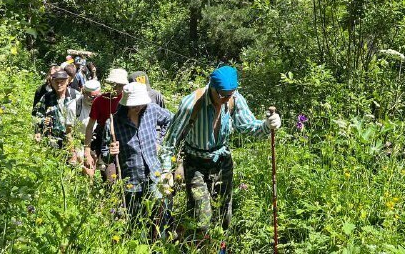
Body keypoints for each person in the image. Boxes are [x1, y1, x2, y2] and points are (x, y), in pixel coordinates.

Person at [160, 66, 281, 233]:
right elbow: (170, 139)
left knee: (224, 216)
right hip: (195, 163)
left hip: (222, 161)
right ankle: (196, 243)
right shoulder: (191, 103)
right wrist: (166, 171)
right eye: (222, 95)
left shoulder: (234, 99)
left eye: (229, 94)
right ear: (212, 86)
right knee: (201, 219)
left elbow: (248, 127)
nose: (225, 99)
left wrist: (267, 125)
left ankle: (220, 244)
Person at [108, 82, 173, 226]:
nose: (138, 108)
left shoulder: (151, 110)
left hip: (154, 174)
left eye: (140, 104)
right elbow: (105, 155)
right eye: (133, 105)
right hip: (132, 179)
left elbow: (171, 120)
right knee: (136, 221)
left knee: (160, 218)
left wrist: (160, 140)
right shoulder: (113, 123)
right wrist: (111, 152)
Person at [83, 68, 128, 177]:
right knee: (108, 176)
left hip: (124, 137)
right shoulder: (100, 100)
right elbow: (90, 127)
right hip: (104, 139)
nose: (117, 89)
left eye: (121, 86)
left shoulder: (127, 100)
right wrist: (87, 150)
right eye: (114, 85)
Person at [33, 69, 78, 149]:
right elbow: (39, 116)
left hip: (72, 140)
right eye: (56, 82)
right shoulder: (47, 97)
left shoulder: (75, 96)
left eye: (62, 82)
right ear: (52, 82)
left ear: (67, 81)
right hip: (52, 140)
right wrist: (39, 130)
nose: (59, 84)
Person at [72, 79, 102, 166]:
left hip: (99, 143)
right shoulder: (75, 105)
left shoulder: (104, 103)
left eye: (97, 96)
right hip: (80, 143)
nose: (95, 99)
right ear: (84, 92)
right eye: (92, 97)